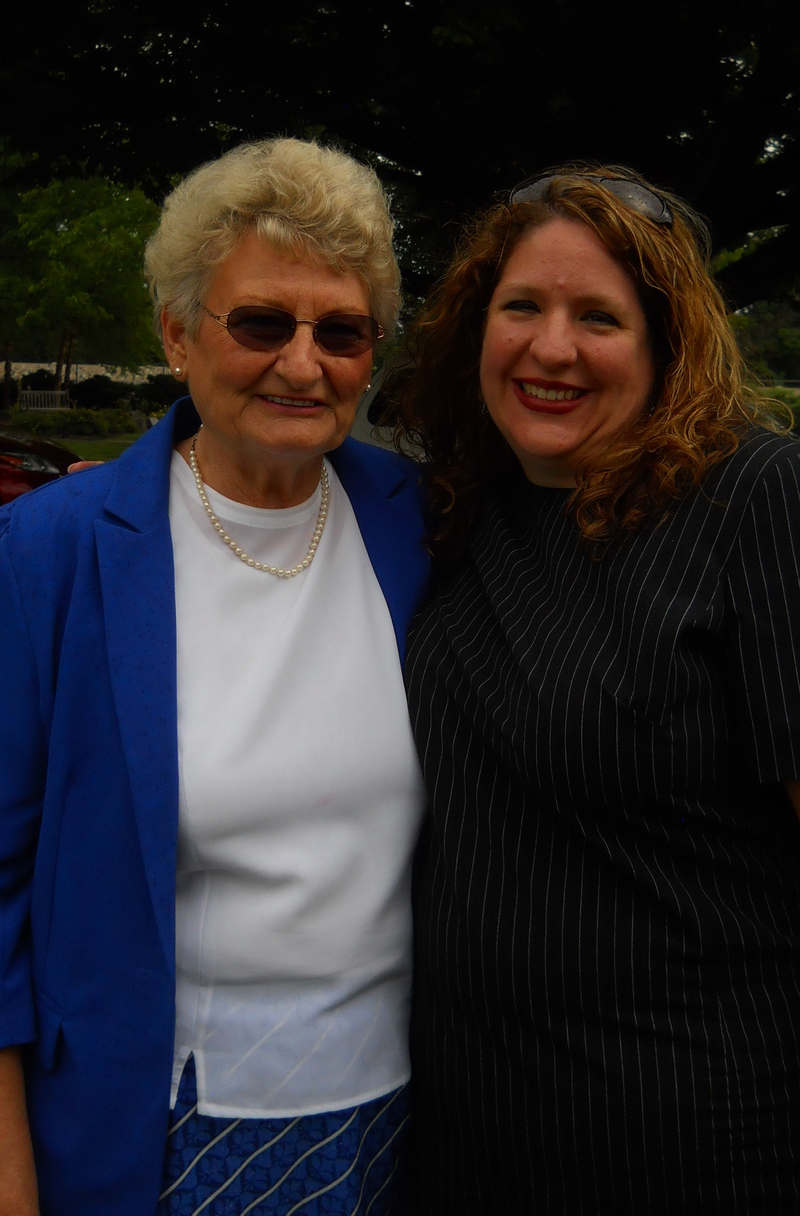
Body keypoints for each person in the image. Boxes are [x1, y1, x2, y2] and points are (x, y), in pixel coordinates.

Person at [0, 138, 430, 1216]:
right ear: (177, 336)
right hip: (168, 1125)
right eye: (259, 324)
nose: (302, 362)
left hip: (410, 1113)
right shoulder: (51, 549)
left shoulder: (421, 523)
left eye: (340, 332)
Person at [390, 165, 800, 1214]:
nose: (550, 348)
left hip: (688, 1147)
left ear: (666, 342)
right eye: (520, 306)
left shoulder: (753, 498)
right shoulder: (453, 507)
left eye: (598, 317)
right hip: (460, 1145)